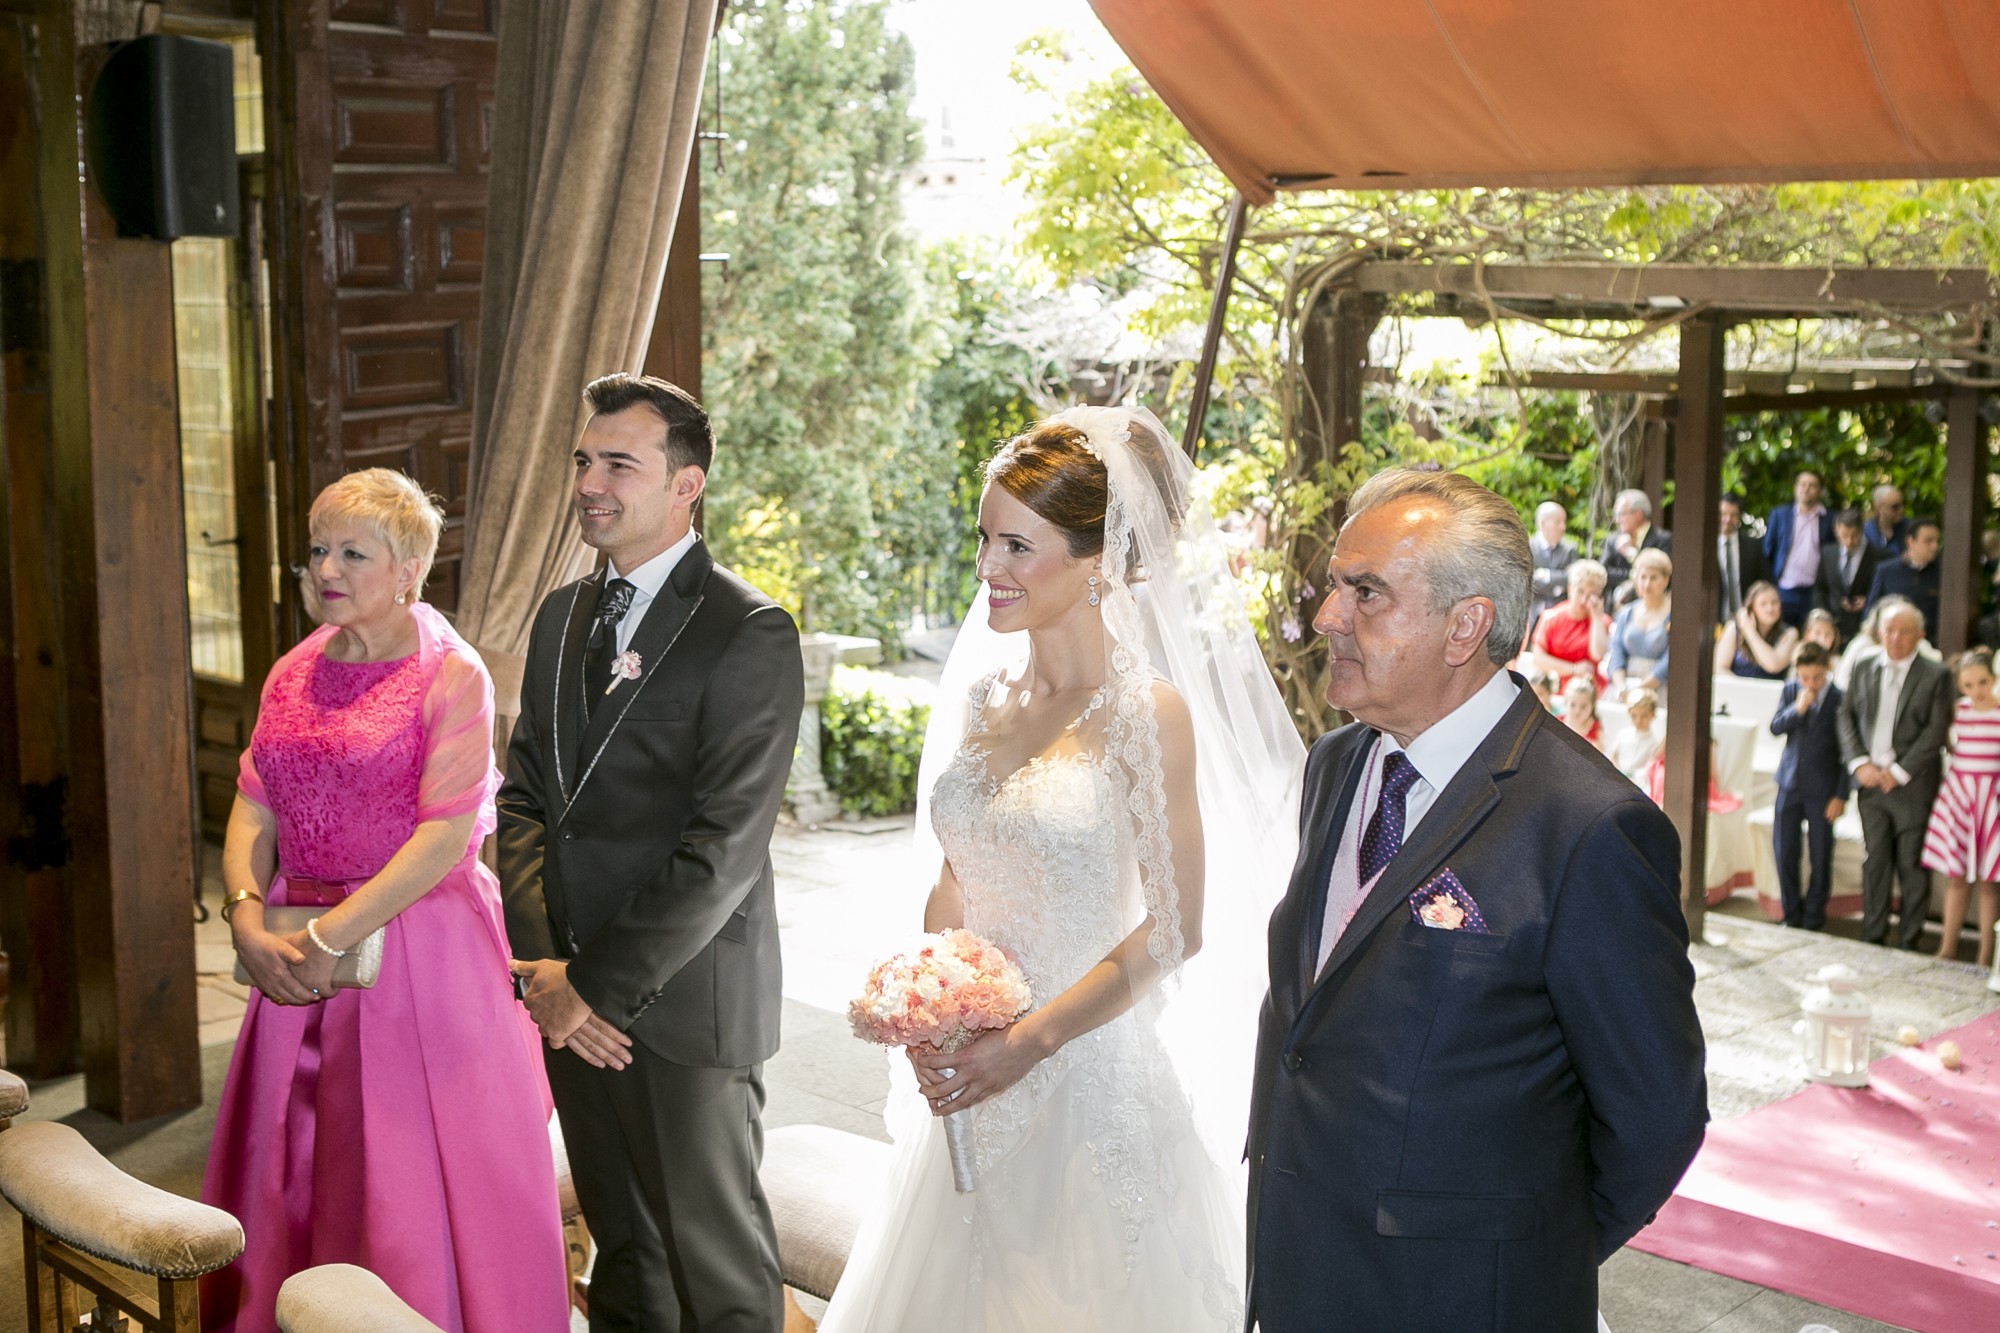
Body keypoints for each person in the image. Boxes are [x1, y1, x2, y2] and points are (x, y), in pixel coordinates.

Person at [820, 408, 1303, 1332]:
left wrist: (1028, 1040)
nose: (986, 569)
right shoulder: (983, 699)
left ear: (1099, 563)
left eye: (1016, 545)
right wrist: (938, 1007)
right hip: (971, 1069)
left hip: (1083, 1077)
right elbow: (954, 880)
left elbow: (1175, 928)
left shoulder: (1144, 712)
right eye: (983, 538)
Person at [1248, 467, 1705, 1331]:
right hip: (1302, 1267)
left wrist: (1513, 1252)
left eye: (1366, 592)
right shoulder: (1337, 766)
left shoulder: (1588, 825)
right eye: (1335, 586)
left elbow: (1656, 1115)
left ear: (1466, 626)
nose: (1325, 618)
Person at [202, 470, 566, 1332]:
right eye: (318, 549)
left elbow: (444, 836)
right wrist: (246, 910)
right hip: (293, 937)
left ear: (408, 568)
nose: (325, 567)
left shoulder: (453, 674)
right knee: (294, 1159)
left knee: (406, 1171)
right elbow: (253, 801)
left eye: (351, 552)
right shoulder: (292, 670)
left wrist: (330, 935)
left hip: (417, 948)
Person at [498, 374, 804, 1333]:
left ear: (686, 484)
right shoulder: (557, 618)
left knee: (716, 1274)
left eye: (617, 463)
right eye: (584, 460)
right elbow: (524, 803)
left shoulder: (746, 630)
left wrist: (592, 985)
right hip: (570, 999)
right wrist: (549, 974)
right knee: (623, 1259)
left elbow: (725, 848)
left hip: (682, 1005)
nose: (590, 480)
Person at [1837, 598, 1954, 950]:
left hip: (1912, 784)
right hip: (1870, 783)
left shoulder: (1936, 674)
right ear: (1878, 632)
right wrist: (1859, 763)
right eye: (1889, 630)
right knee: (1875, 859)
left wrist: (1899, 772)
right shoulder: (1863, 664)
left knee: (1911, 863)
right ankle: (1872, 936)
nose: (1895, 638)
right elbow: (1846, 717)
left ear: (1920, 635)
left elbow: (1935, 730)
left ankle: (1909, 939)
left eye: (1904, 632)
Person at [1922, 648, 2000, 969]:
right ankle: (1947, 946)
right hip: (1961, 801)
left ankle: (1986, 954)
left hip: (1992, 803)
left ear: (1994, 680)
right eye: (1968, 685)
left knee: (1988, 881)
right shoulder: (1959, 712)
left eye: (1982, 682)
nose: (1976, 691)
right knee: (1956, 878)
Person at [1769, 642, 1851, 931]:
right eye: (1804, 677)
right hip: (1789, 783)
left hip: (1823, 789)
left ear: (1827, 669)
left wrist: (1841, 794)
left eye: (1816, 677)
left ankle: (1814, 917)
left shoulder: (1840, 698)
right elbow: (1776, 726)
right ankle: (1790, 913)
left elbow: (1848, 751)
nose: (1810, 683)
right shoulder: (1792, 690)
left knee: (1820, 854)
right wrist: (1798, 709)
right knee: (1784, 850)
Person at [1764, 469, 1833, 628]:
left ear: (1820, 491)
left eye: (1812, 485)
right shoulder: (1780, 515)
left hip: (1814, 590)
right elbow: (1768, 550)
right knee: (1781, 634)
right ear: (1796, 487)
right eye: (1802, 484)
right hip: (1784, 588)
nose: (1806, 489)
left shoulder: (1829, 519)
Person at [1527, 557, 1611, 688]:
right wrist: (1574, 669)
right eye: (1580, 591)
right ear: (1570, 588)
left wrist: (1596, 618)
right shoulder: (1550, 617)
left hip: (1588, 691)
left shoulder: (1602, 621)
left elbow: (1598, 654)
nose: (1584, 600)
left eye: (1591, 594)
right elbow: (1538, 658)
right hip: (1554, 688)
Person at [1607, 548, 1673, 704]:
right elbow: (1616, 650)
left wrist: (1641, 689)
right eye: (1643, 577)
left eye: (1653, 578)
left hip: (1658, 689)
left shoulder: (1674, 614)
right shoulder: (1626, 613)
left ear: (1666, 580)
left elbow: (1670, 659)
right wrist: (1621, 686)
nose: (1647, 584)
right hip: (1624, 688)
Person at [1866, 517, 1942, 639]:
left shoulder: (1942, 572)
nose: (1935, 546)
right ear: (1910, 542)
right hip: (1894, 640)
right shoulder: (1886, 570)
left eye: (1936, 541)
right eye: (1928, 541)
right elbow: (1871, 610)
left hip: (1930, 641)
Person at [1599, 488, 1670, 607]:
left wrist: (1631, 553)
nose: (1617, 520)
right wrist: (1631, 574)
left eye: (1621, 514)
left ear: (1638, 514)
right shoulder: (1613, 540)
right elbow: (1603, 572)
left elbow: (1663, 573)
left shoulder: (1663, 540)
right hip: (1617, 607)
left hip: (1651, 606)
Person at [1714, 581, 1798, 680]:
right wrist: (1746, 689)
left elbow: (1774, 665)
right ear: (1751, 608)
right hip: (1736, 691)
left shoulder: (1790, 633)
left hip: (1771, 692)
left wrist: (1750, 632)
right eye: (1763, 604)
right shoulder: (1734, 628)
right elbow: (1718, 669)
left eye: (1774, 602)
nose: (1770, 608)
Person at [1816, 509, 1878, 643]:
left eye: (1854, 535)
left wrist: (1867, 601)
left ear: (1862, 530)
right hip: (1834, 626)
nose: (1849, 541)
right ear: (1836, 530)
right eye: (1844, 536)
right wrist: (1825, 614)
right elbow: (1820, 587)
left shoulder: (1879, 556)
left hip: (1865, 625)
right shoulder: (1828, 553)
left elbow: (1885, 591)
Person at [1715, 493, 1771, 622]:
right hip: (1714, 617)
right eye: (1723, 514)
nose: (1727, 519)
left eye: (1733, 515)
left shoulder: (1753, 546)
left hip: (1747, 618)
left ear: (1739, 516)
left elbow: (1763, 582)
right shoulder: (1705, 546)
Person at [1529, 500, 1579, 629]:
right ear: (1543, 524)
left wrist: (1546, 576)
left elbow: (1575, 580)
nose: (1563, 527)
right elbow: (1527, 582)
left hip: (1563, 615)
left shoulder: (1570, 549)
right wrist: (1559, 584)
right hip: (1533, 616)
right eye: (1558, 522)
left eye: (1564, 522)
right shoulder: (1526, 548)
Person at [1609, 689, 1662, 783]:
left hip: (1639, 784)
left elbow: (1649, 768)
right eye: (1634, 715)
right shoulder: (1623, 735)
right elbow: (1613, 757)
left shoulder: (1655, 742)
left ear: (1652, 715)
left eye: (1644, 716)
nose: (1639, 720)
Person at [1864, 483, 1911, 557]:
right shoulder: (1865, 532)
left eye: (1902, 504)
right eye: (1895, 507)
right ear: (1879, 508)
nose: (1901, 510)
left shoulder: (1910, 528)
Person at [1561, 676, 1604, 749]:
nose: (1577, 711)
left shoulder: (1595, 729)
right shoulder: (1557, 723)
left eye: (1583, 706)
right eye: (1573, 705)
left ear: (1592, 706)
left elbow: (1598, 757)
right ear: (1565, 702)